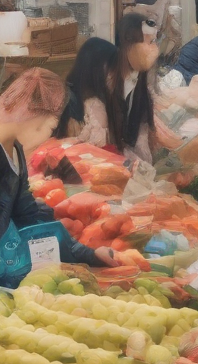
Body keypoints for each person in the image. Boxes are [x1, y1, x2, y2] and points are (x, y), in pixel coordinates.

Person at [0, 69, 122, 275]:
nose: (47, 138)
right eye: (51, 127)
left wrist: (86, 254)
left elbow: (26, 214)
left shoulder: (15, 150)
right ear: (33, 115)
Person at [113, 13, 159, 163]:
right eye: (147, 43)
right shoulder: (110, 78)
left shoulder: (139, 76)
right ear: (128, 43)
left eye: (153, 42)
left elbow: (139, 127)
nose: (153, 49)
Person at [56, 37, 119, 141]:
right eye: (112, 68)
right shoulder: (71, 101)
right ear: (96, 69)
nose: (115, 74)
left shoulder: (103, 96)